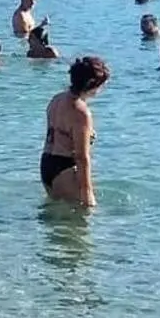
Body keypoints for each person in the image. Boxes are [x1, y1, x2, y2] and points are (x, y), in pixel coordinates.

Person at [40, 55, 110, 209]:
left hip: (47, 162)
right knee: (82, 216)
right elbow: (82, 157)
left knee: (56, 216)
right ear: (92, 84)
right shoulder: (81, 112)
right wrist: (88, 193)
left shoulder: (56, 100)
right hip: (65, 167)